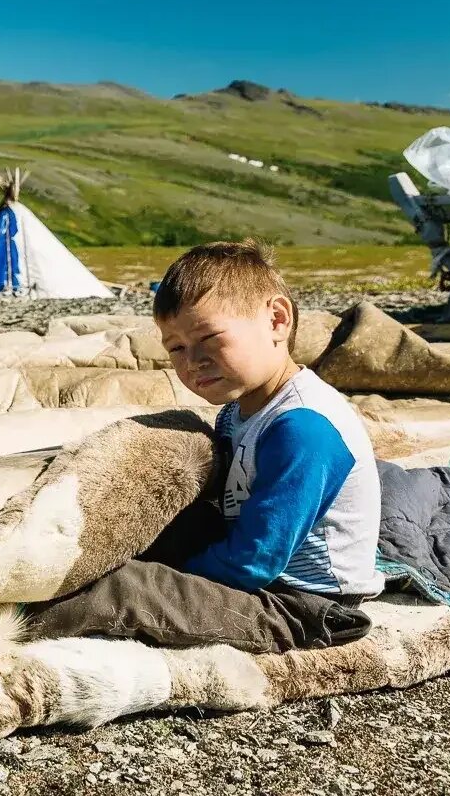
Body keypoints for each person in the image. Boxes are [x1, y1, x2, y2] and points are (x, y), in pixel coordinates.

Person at [25, 239, 383, 653]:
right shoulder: (240, 411)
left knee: (126, 591)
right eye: (176, 348)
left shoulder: (303, 427)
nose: (192, 361)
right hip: (247, 553)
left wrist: (175, 575)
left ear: (277, 320)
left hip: (299, 603)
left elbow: (256, 560)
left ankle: (12, 613)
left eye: (209, 337)